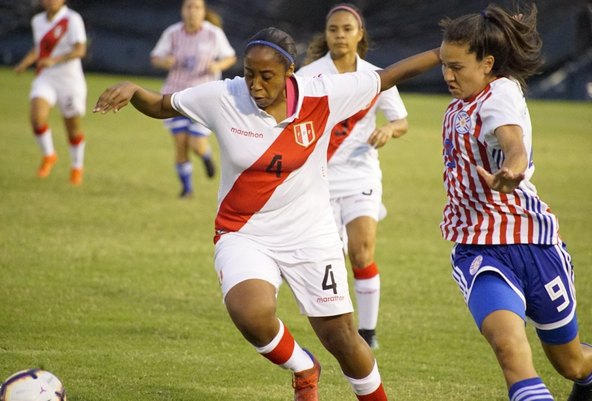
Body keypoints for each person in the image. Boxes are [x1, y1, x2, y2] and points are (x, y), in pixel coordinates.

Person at [94, 26, 440, 400]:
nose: (255, 85)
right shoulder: (224, 96)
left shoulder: (322, 95)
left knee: (341, 338)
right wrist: (133, 91)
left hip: (311, 235)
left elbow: (391, 75)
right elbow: (162, 105)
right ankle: (304, 367)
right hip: (244, 232)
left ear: (290, 71)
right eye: (248, 74)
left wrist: (444, 52)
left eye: (266, 76)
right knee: (250, 313)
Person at [439, 4, 592, 401]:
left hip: (534, 244)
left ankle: (591, 378)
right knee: (510, 349)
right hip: (480, 249)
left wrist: (511, 170)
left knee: (570, 362)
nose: (446, 74)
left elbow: (513, 142)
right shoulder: (461, 102)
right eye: (444, 64)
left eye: (456, 67)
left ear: (487, 63)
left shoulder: (500, 93)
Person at [297, 3, 409, 350]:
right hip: (320, 178)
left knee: (361, 252)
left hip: (361, 174)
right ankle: (337, 326)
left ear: (360, 34)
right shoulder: (309, 75)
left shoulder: (378, 76)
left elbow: (401, 121)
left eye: (347, 29)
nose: (340, 35)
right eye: (333, 29)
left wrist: (389, 130)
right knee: (328, 258)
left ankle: (368, 332)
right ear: (326, 34)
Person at [150, 0, 237, 198]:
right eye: (188, 7)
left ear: (203, 11)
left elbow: (230, 57)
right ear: (182, 10)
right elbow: (155, 57)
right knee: (181, 144)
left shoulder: (213, 33)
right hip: (175, 96)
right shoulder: (172, 33)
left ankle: (205, 156)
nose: (192, 12)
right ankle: (187, 189)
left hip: (204, 98)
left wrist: (217, 66)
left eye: (197, 7)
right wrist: (165, 61)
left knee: (196, 144)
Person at [14, 0, 87, 185]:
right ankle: (49, 155)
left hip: (70, 81)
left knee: (72, 129)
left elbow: (80, 49)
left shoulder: (72, 19)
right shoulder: (37, 20)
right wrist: (25, 62)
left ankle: (77, 166)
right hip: (46, 77)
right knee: (37, 117)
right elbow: (40, 48)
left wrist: (55, 60)